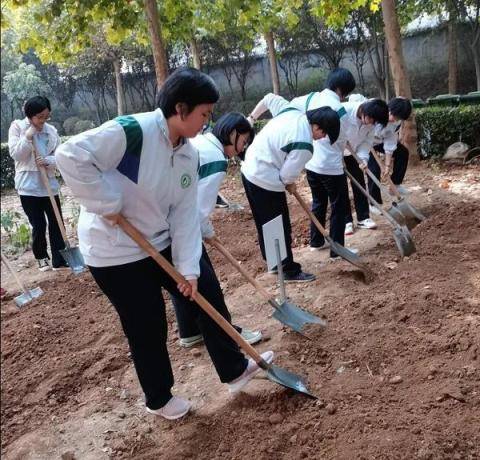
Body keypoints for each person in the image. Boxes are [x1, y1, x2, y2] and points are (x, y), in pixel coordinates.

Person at [55, 67, 273, 421]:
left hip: (160, 238)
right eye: (203, 114)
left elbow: (185, 214)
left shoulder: (189, 153)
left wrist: (187, 269)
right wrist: (107, 202)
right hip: (115, 250)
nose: (207, 121)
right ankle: (158, 398)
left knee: (206, 291)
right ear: (180, 108)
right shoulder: (132, 132)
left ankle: (234, 368)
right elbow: (69, 156)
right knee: (147, 324)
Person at [172, 112, 262, 348]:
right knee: (206, 283)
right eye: (243, 141)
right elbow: (199, 209)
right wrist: (207, 231)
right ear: (232, 134)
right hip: (183, 226)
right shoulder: (216, 158)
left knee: (180, 277)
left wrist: (205, 229)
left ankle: (190, 331)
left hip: (168, 224)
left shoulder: (201, 142)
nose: (243, 148)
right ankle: (227, 334)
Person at [244, 94, 340, 282]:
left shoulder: (291, 110)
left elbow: (269, 97)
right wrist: (290, 182)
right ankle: (288, 270)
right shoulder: (305, 144)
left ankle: (274, 264)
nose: (322, 138)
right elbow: (286, 177)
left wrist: (251, 118)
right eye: (325, 133)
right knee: (279, 225)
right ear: (318, 127)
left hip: (249, 169)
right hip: (265, 179)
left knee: (265, 223)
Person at [285, 68, 358, 259]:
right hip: (331, 167)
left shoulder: (310, 98)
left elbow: (290, 106)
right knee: (339, 205)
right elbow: (342, 139)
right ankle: (337, 250)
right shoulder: (338, 108)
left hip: (310, 163)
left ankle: (316, 241)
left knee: (318, 202)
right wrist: (340, 157)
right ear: (342, 89)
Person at [8, 96, 68, 271]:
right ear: (30, 115)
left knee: (57, 221)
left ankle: (60, 258)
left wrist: (48, 160)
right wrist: (27, 137)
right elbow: (16, 155)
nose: (43, 120)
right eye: (40, 117)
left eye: (46, 116)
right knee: (39, 224)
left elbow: (60, 154)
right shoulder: (18, 127)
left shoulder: (51, 131)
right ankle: (42, 256)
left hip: (49, 183)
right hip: (28, 187)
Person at [341, 95, 389, 236]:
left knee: (360, 183)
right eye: (371, 120)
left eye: (375, 122)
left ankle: (363, 217)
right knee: (340, 187)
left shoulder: (371, 123)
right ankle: (346, 221)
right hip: (335, 153)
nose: (371, 124)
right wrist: (338, 151)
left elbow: (366, 142)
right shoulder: (343, 112)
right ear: (364, 111)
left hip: (354, 152)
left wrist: (363, 159)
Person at [369, 97, 413, 205]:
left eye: (398, 118)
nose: (394, 119)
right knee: (374, 170)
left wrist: (387, 166)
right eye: (393, 114)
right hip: (364, 143)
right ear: (388, 108)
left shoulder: (395, 123)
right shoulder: (374, 111)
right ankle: (374, 203)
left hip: (379, 141)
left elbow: (390, 141)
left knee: (402, 152)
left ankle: (395, 185)